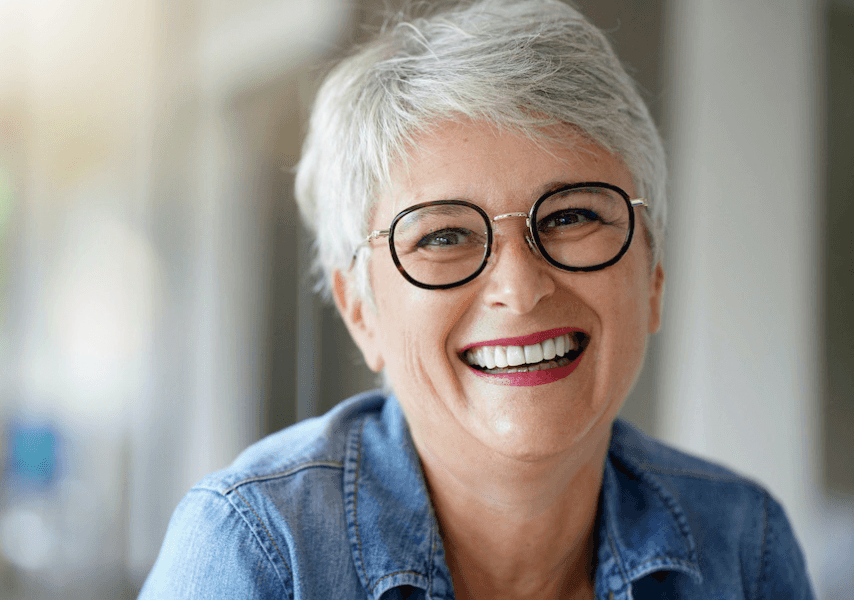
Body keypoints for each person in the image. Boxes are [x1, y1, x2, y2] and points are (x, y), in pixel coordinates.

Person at [139, 1, 814, 598]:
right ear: (360, 311)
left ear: (654, 275)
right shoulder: (258, 552)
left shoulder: (741, 545)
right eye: (445, 235)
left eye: (571, 216)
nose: (520, 289)